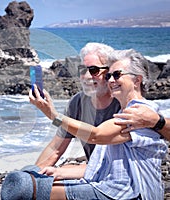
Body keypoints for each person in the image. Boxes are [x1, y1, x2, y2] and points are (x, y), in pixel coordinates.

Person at [29, 49, 168, 199]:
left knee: (30, 191)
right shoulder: (89, 103)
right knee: (26, 183)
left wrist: (53, 115)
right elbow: (99, 162)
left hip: (128, 192)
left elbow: (96, 135)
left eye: (116, 75)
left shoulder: (139, 113)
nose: (111, 80)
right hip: (107, 181)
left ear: (137, 80)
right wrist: (42, 173)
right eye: (109, 76)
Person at [36, 42, 120, 171]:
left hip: (116, 176)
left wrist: (53, 115)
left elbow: (95, 136)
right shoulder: (77, 102)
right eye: (82, 70)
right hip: (92, 172)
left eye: (94, 70)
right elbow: (56, 148)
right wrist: (32, 173)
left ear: (109, 73)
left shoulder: (121, 103)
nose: (86, 76)